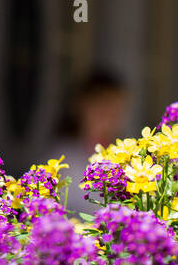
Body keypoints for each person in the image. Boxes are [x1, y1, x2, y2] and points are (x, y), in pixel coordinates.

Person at [48, 68, 129, 211]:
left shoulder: (129, 160)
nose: (109, 115)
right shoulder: (60, 157)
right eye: (102, 106)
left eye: (116, 108)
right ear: (80, 106)